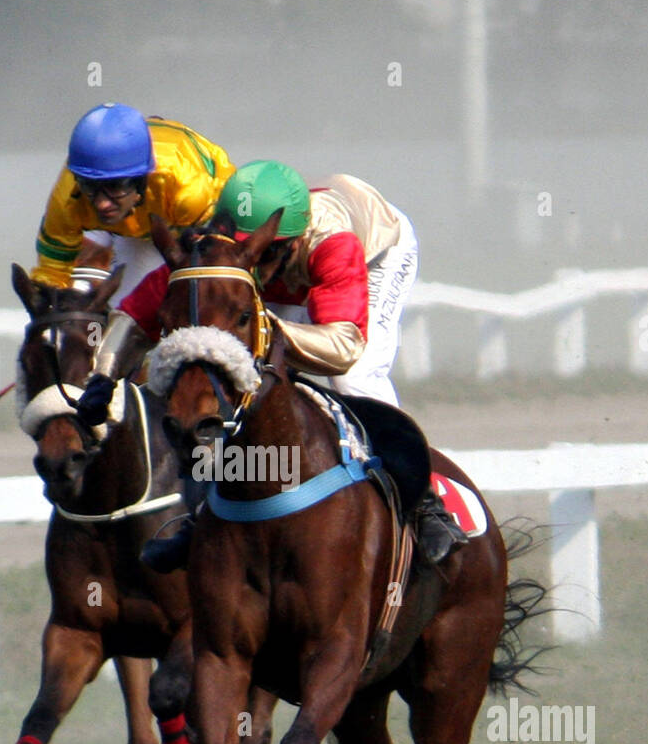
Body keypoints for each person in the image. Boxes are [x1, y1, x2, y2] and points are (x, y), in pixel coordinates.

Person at [79, 159, 467, 567]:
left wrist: (266, 330)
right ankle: (202, 514)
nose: (255, 264)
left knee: (353, 378)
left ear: (293, 242)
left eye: (266, 254)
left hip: (378, 254)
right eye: (247, 251)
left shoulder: (334, 245)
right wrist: (102, 376)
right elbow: (135, 315)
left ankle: (426, 506)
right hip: (301, 261)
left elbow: (343, 346)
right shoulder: (221, 249)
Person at [31, 102, 236, 304]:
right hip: (131, 210)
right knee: (114, 311)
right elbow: (51, 273)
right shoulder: (69, 194)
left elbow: (208, 265)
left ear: (141, 181)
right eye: (90, 186)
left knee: (157, 302)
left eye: (114, 186)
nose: (102, 204)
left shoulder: (188, 194)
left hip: (184, 217)